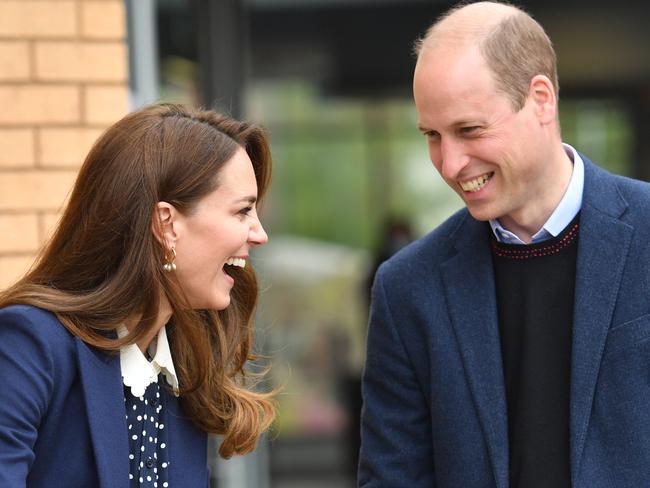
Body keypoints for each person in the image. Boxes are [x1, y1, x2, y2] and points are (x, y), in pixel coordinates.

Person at [359, 2, 650, 487]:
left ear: (541, 99)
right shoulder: (407, 288)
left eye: (469, 130)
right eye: (432, 135)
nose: (450, 164)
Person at [0, 103, 276, 487]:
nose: (259, 234)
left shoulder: (182, 364)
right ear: (166, 224)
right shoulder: (28, 346)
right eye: (243, 211)